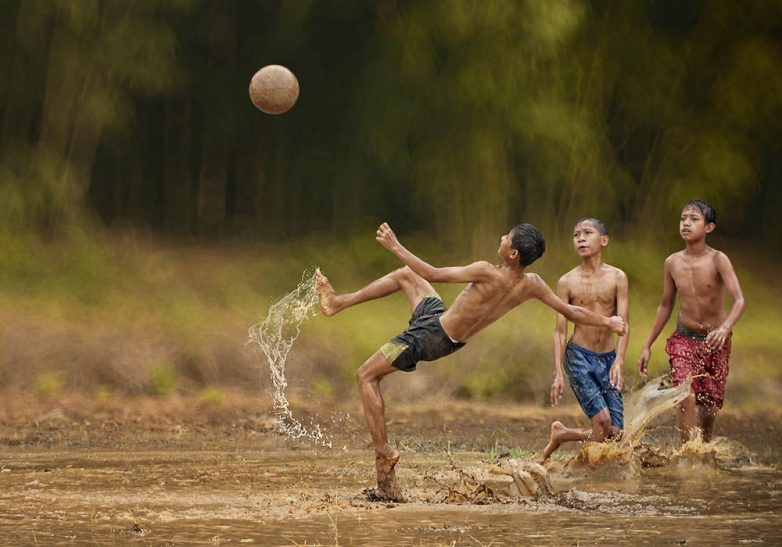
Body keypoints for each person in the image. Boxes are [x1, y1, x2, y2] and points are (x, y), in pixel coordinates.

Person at [316, 222, 626, 501]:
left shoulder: (486, 271)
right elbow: (572, 313)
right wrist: (608, 321)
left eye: (507, 237)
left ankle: (384, 452)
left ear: (513, 252)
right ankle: (338, 302)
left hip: (431, 336)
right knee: (405, 277)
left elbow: (434, 274)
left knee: (366, 376)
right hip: (443, 330)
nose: (501, 236)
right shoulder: (532, 283)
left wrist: (395, 245)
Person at [637, 200, 745, 443]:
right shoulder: (672, 262)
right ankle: (688, 452)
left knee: (709, 403)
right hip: (684, 337)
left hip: (715, 340)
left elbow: (740, 300)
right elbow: (666, 305)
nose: (686, 223)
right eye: (683, 218)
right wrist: (647, 344)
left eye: (694, 219)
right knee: (684, 394)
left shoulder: (718, 260)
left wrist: (725, 327)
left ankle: (704, 447)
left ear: (709, 227)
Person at [541, 218, 629, 461]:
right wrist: (558, 371)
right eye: (576, 234)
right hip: (579, 356)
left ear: (604, 240)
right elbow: (560, 330)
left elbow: (623, 325)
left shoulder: (618, 277)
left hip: (608, 357)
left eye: (587, 233)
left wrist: (619, 360)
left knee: (615, 433)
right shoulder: (567, 281)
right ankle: (583, 474)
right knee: (601, 421)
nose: (580, 238)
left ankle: (562, 434)